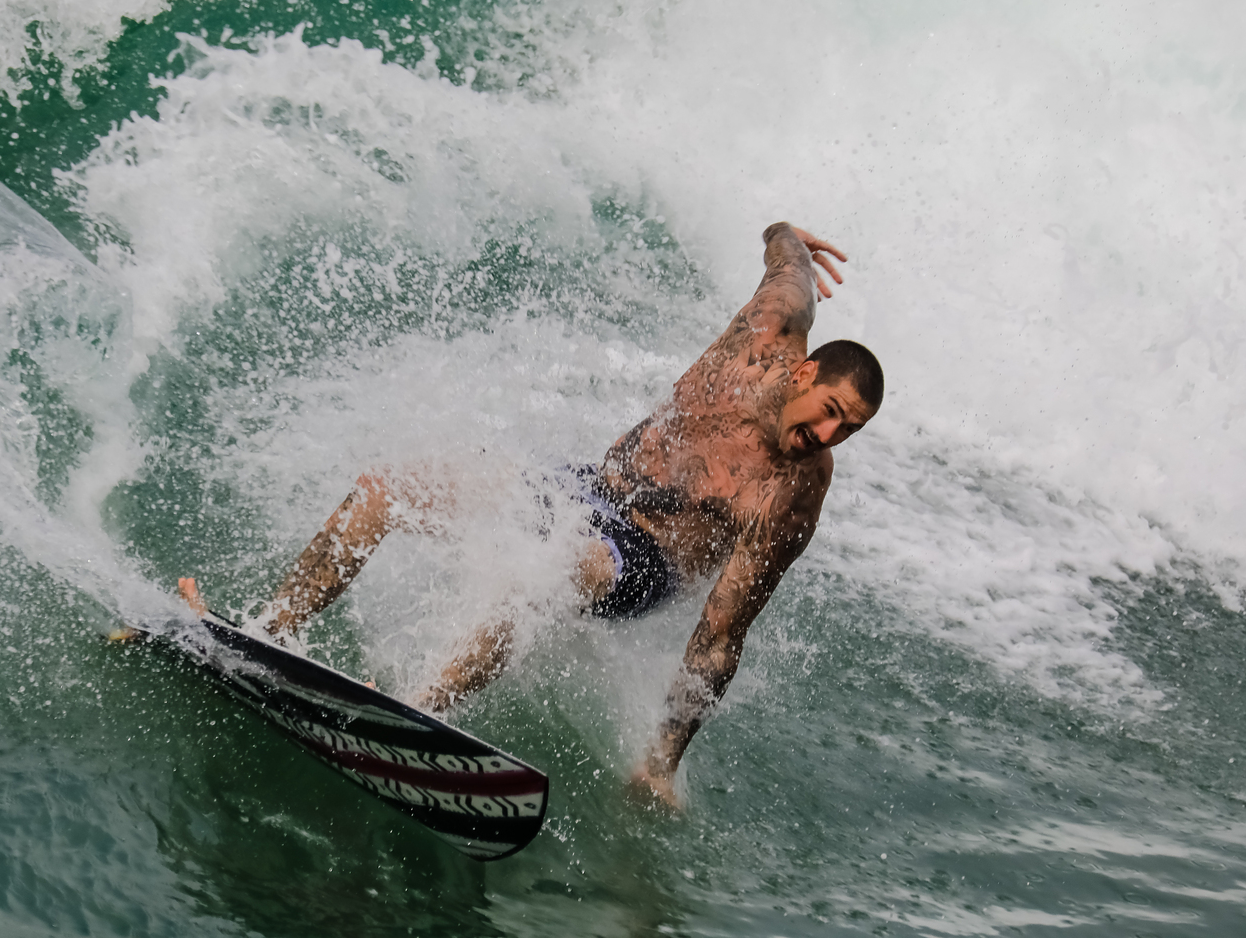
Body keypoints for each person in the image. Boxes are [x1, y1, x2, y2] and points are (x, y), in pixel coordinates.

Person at [253, 221, 882, 807]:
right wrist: (786, 234)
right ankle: (268, 632)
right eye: (829, 409)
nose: (827, 432)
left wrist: (661, 764)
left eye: (846, 429)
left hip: (648, 562)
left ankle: (415, 712)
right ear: (803, 372)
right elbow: (786, 260)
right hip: (586, 490)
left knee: (556, 566)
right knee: (389, 488)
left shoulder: (792, 495)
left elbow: (719, 638)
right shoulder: (768, 327)